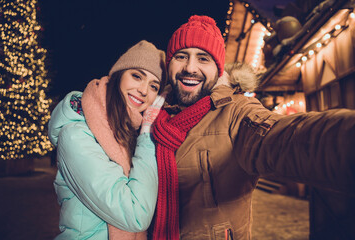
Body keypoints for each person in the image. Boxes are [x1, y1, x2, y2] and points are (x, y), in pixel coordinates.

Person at [149, 15, 355, 240]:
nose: (190, 68)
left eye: (203, 58)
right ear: (169, 63)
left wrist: (346, 139)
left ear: (218, 68)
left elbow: (282, 137)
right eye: (181, 56)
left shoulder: (236, 110)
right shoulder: (152, 118)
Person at [48, 40, 166, 239]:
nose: (144, 90)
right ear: (118, 75)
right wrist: (147, 133)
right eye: (137, 76)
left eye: (153, 86)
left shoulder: (129, 134)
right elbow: (135, 215)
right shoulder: (76, 135)